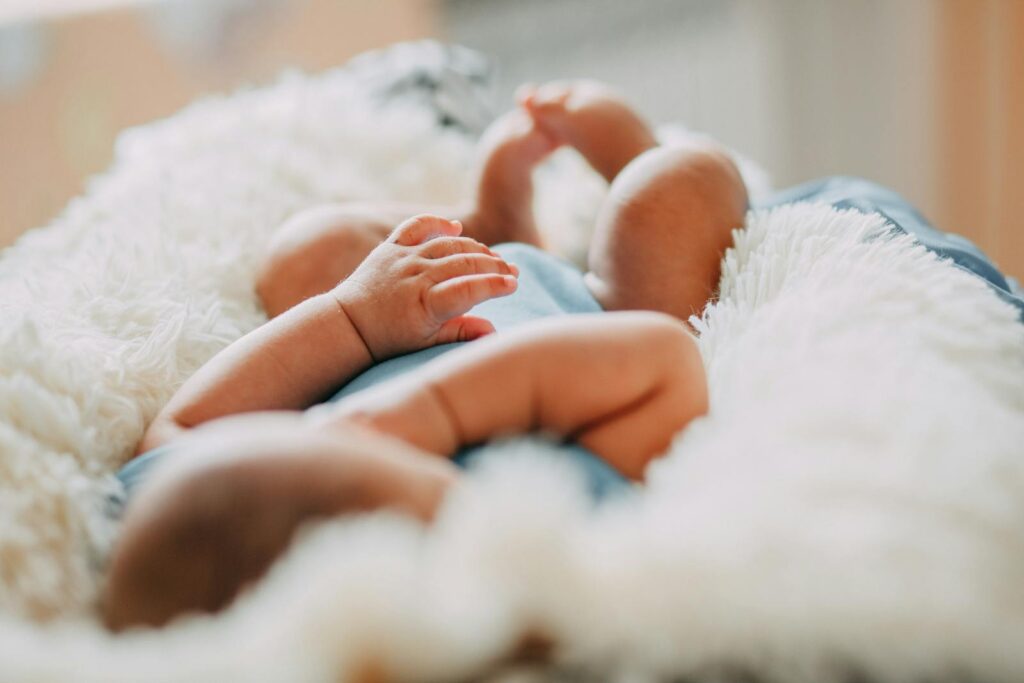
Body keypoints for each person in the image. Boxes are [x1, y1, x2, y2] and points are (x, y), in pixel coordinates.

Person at [103, 81, 748, 630]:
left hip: (392, 327)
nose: (374, 432)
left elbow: (174, 432)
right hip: (596, 312)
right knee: (675, 191)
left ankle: (484, 226)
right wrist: (435, 413)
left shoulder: (189, 521)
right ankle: (636, 161)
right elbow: (660, 359)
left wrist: (352, 319)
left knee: (307, 250)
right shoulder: (539, 520)